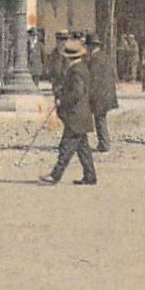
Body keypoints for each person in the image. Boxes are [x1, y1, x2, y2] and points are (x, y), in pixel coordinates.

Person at [40, 39, 97, 186]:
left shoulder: (76, 71)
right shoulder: (81, 68)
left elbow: (77, 93)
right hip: (81, 114)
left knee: (66, 147)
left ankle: (55, 175)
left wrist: (62, 99)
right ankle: (90, 176)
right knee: (82, 148)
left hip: (76, 115)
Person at [84, 34, 119, 153]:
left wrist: (87, 94)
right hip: (107, 93)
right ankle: (103, 143)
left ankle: (104, 144)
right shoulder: (105, 56)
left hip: (99, 94)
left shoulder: (95, 60)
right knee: (101, 118)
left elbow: (93, 79)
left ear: (91, 46)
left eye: (88, 46)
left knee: (100, 119)